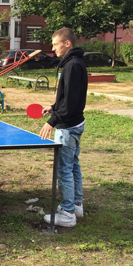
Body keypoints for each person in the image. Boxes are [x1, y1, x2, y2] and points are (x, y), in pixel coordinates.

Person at [39, 27, 87, 228]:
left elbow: (71, 103)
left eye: (55, 44)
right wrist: (54, 107)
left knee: (64, 170)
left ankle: (67, 213)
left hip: (68, 126)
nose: (53, 48)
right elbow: (68, 98)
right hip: (74, 122)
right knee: (73, 165)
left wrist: (53, 120)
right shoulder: (73, 64)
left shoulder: (72, 66)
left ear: (67, 43)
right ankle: (76, 205)